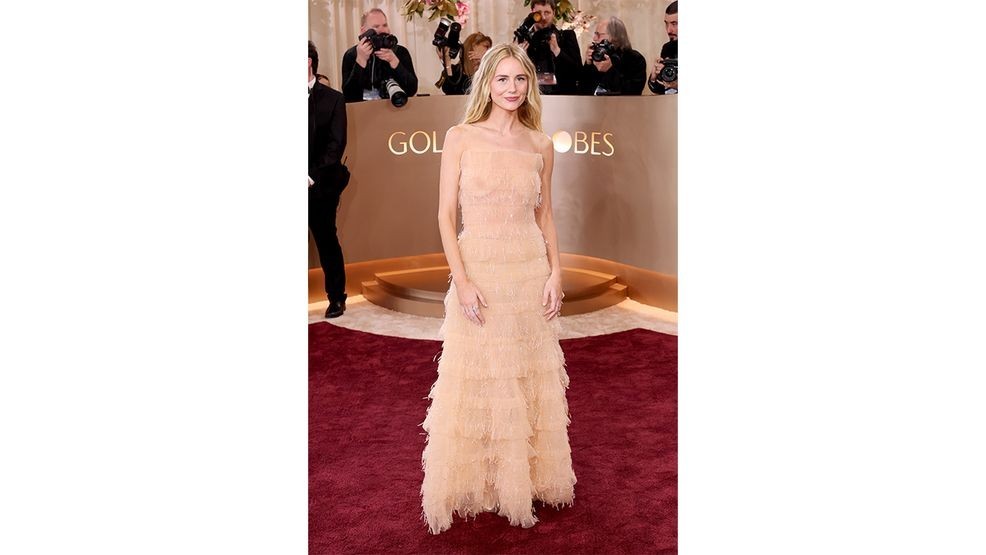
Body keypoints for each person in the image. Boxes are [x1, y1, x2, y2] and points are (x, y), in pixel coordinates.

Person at [420, 42, 576, 535]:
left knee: (524, 376)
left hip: (528, 271)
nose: (512, 89)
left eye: (520, 79)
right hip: (481, 270)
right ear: (486, 83)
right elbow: (446, 216)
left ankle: (521, 479)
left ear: (530, 85)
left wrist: (556, 272)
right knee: (480, 377)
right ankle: (484, 480)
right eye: (502, 79)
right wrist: (462, 280)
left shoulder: (540, 145)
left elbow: (545, 214)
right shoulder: (461, 136)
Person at [309, 41, 350, 318]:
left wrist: (310, 176)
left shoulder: (333, 99)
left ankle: (336, 297)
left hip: (320, 183)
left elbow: (336, 144)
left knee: (326, 241)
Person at [341, 8, 418, 103]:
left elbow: (412, 90)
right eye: (376, 26)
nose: (382, 30)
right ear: (363, 30)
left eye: (385, 25)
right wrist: (360, 61)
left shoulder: (400, 52)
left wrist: (395, 63)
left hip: (395, 109)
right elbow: (349, 96)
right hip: (362, 111)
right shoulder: (351, 55)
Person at [514, 0, 581, 94]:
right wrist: (520, 58)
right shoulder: (524, 39)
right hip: (530, 97)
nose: (543, 17)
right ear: (532, 12)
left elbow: (578, 73)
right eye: (539, 13)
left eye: (547, 12)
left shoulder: (566, 37)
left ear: (553, 13)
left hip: (562, 99)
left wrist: (557, 51)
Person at [579, 16, 647, 95]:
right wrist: (588, 64)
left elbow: (633, 92)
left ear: (615, 37)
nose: (594, 38)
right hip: (593, 105)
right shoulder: (597, 56)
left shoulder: (635, 59)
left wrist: (610, 71)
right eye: (595, 34)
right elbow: (582, 91)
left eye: (598, 34)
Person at [649, 1, 678, 94]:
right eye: (666, 23)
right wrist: (655, 78)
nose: (669, 30)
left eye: (674, 24)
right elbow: (660, 91)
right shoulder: (668, 48)